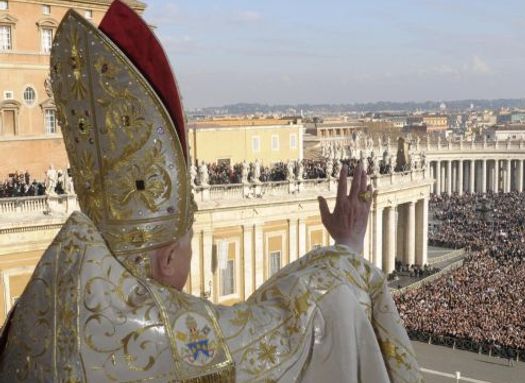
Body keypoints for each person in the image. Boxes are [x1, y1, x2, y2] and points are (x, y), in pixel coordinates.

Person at [0, 2, 422, 382]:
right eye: (187, 243)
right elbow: (291, 329)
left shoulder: (45, 305)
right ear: (166, 260)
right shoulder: (170, 344)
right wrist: (348, 246)